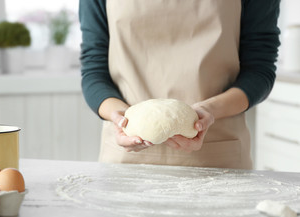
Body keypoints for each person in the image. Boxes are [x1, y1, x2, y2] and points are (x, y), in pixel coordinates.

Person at [79, 0, 280, 169]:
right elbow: (94, 70)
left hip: (218, 158)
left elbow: (259, 70)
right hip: (126, 161)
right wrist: (120, 117)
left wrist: (208, 110)